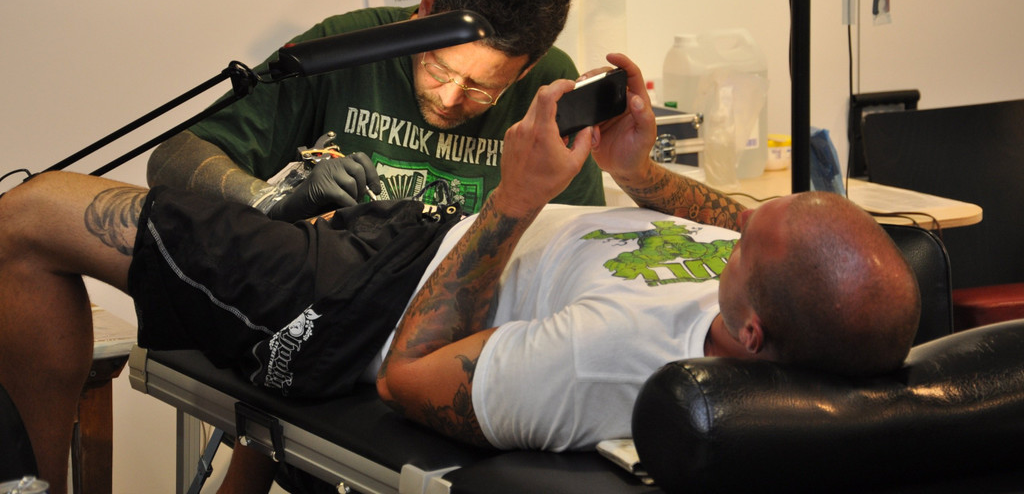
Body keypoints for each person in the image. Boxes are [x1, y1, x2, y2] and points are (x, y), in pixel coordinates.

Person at [0, 54, 921, 494]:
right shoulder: (780, 301)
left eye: (750, 239)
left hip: (358, 301)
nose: (735, 224)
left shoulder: (607, 361)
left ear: (751, 332)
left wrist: (514, 199)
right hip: (410, 236)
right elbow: (739, 224)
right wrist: (637, 171)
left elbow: (408, 376)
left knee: (28, 219)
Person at [147, 0, 606, 217]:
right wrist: (271, 200)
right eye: (439, 67)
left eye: (481, 89)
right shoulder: (346, 48)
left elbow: (578, 233)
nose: (450, 98)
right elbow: (171, 160)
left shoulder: (550, 86)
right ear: (425, 9)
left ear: (528, 68)